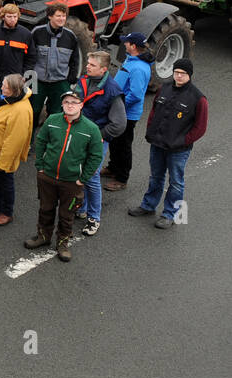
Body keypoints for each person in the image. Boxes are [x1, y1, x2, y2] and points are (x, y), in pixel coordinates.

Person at [130, 57, 207, 229]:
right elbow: (154, 112)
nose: (179, 76)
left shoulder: (198, 98)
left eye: (183, 73)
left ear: (190, 75)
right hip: (157, 144)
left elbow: (200, 128)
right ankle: (148, 205)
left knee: (176, 182)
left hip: (178, 150)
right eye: (176, 72)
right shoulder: (164, 89)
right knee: (155, 176)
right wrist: (150, 132)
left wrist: (182, 141)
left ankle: (169, 214)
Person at [26, 90, 102, 262]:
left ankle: (62, 242)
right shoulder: (52, 120)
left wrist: (83, 178)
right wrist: (40, 167)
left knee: (67, 215)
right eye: (66, 101)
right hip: (48, 177)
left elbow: (96, 156)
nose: (69, 105)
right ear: (62, 104)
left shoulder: (91, 129)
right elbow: (41, 142)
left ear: (81, 105)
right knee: (45, 208)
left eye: (74, 102)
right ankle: (43, 236)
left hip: (72, 182)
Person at [72, 50, 125, 237]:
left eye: (92, 65)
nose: (87, 66)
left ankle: (94, 218)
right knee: (79, 172)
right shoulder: (84, 80)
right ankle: (82, 208)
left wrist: (98, 136)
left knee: (92, 177)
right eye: (88, 63)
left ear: (103, 69)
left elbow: (119, 125)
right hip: (79, 135)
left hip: (96, 140)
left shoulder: (112, 91)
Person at [0, 74, 33, 226]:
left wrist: (4, 162)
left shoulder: (20, 110)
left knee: (6, 181)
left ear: (14, 90)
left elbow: (14, 141)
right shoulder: (10, 101)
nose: (2, 87)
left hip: (4, 156)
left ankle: (7, 212)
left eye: (5, 86)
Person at [104, 32, 153, 191]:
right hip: (119, 110)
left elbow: (136, 95)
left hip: (126, 114)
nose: (124, 44)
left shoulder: (138, 68)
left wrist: (118, 107)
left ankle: (121, 178)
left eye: (126, 42)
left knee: (123, 145)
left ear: (133, 46)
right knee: (115, 141)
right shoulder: (131, 59)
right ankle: (113, 167)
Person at [29, 2, 80, 123]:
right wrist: (28, 79)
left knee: (57, 114)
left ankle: (51, 139)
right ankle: (28, 141)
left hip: (60, 82)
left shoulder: (70, 37)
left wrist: (71, 79)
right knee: (32, 111)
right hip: (37, 81)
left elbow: (75, 60)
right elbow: (29, 57)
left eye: (64, 16)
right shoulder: (37, 33)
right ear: (50, 16)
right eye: (58, 16)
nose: (62, 19)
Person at [0, 4, 35, 80]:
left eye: (15, 17)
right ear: (3, 17)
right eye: (9, 16)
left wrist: (24, 75)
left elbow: (31, 58)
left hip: (15, 79)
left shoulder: (25, 34)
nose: (13, 19)